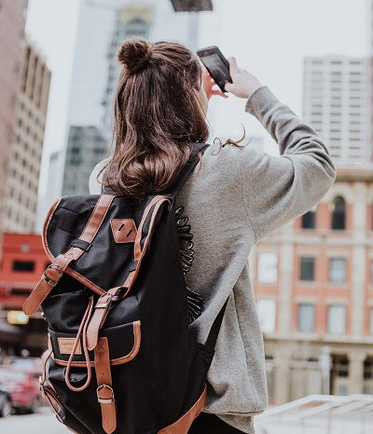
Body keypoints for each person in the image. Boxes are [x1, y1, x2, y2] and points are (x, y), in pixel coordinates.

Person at [89, 39, 336, 434]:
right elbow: (317, 163)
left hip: (126, 401)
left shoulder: (106, 180)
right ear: (189, 94)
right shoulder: (228, 172)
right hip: (211, 410)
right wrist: (255, 94)